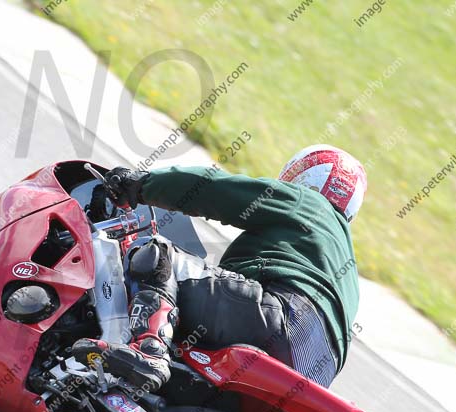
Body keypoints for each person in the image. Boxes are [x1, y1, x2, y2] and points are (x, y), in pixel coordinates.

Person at [72, 144, 366, 390]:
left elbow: (217, 191)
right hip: (312, 375)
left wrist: (142, 186)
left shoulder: (308, 203)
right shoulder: (347, 266)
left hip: (278, 317)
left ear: (302, 178)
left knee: (154, 251)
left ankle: (148, 349)